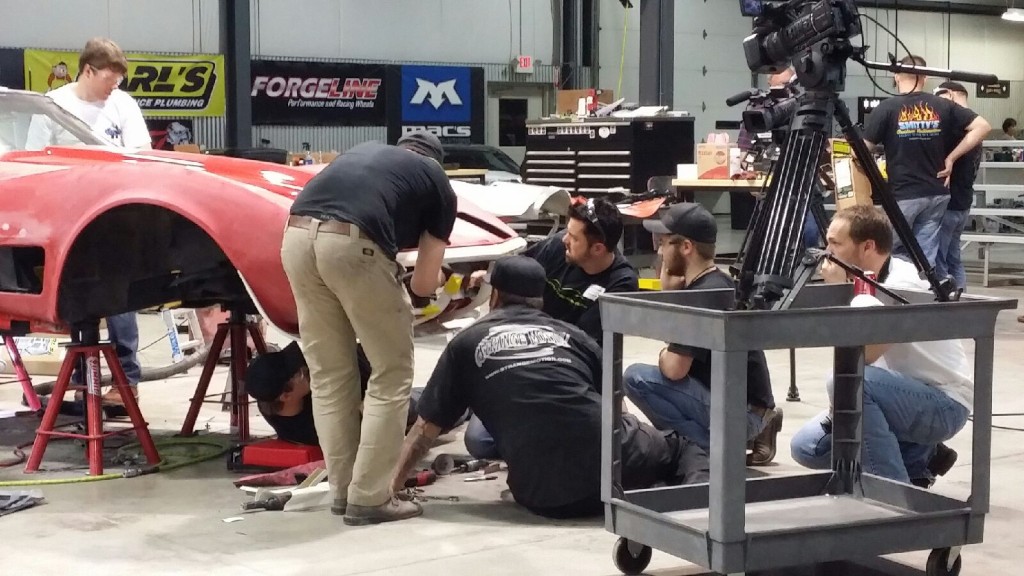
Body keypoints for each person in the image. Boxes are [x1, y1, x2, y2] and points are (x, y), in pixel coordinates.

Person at [392, 256, 709, 519]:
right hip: (611, 479)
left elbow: (423, 430)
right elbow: (615, 409)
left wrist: (389, 490)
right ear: (539, 300)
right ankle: (699, 505)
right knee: (681, 446)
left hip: (542, 498)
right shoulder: (576, 336)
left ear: (495, 297)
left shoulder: (466, 343)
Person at [281, 130, 456, 525]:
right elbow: (424, 287)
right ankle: (371, 497)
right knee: (390, 373)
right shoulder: (437, 183)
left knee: (330, 374)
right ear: (437, 161)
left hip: (294, 238)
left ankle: (342, 492)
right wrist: (446, 282)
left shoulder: (366, 156)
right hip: (352, 246)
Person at [790, 205, 969, 487]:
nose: (827, 252)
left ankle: (893, 493)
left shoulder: (899, 284)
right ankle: (918, 459)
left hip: (942, 402)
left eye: (835, 244)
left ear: (867, 246)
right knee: (807, 447)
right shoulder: (871, 278)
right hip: (900, 393)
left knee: (849, 383)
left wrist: (840, 295)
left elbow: (863, 357)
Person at [25, 37, 151, 413]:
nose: (114, 87)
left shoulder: (123, 105)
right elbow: (35, 162)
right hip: (69, 221)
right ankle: (85, 384)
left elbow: (142, 155)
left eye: (118, 81)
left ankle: (126, 382)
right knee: (80, 301)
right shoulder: (55, 106)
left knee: (121, 301)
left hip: (116, 218)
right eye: (108, 79)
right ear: (88, 70)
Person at [621, 203, 782, 466]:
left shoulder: (703, 296)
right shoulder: (713, 283)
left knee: (636, 377)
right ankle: (707, 444)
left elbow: (674, 369)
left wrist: (665, 349)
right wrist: (671, 296)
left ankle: (705, 449)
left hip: (741, 413)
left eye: (664, 243)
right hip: (741, 405)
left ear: (686, 247)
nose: (659, 252)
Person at [862, 55, 990, 267]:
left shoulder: (886, 108)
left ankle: (893, 294)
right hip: (936, 194)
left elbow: (862, 150)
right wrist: (951, 158)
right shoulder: (943, 105)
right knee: (924, 259)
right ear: (926, 77)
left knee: (886, 254)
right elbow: (983, 126)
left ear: (896, 76)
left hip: (903, 193)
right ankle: (921, 293)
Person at [245, 342, 466, 446]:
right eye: (303, 373)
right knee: (442, 406)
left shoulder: (271, 403)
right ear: (286, 395)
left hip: (367, 403)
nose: (309, 371)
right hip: (378, 409)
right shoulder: (316, 427)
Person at [513, 198, 639, 345]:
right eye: (567, 231)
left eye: (573, 238)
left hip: (571, 358)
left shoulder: (620, 283)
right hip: (531, 340)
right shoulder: (558, 247)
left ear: (597, 249)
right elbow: (516, 271)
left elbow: (583, 342)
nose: (564, 239)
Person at [933, 82, 983, 291]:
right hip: (964, 201)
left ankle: (946, 299)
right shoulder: (975, 128)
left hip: (949, 201)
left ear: (950, 95)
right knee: (954, 257)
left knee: (940, 258)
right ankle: (960, 295)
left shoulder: (955, 125)